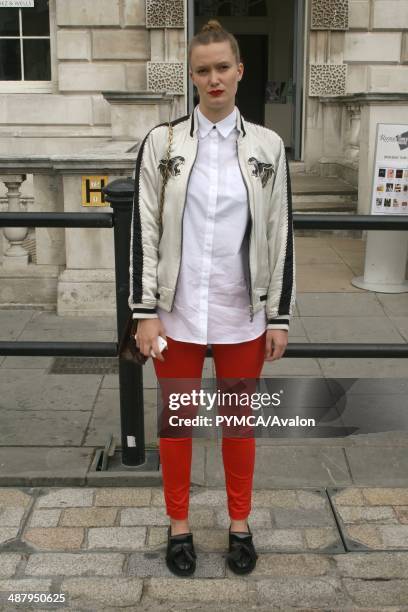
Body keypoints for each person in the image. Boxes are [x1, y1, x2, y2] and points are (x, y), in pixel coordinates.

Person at [129, 19, 296, 576]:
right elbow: (144, 227)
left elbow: (281, 231)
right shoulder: (164, 141)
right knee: (176, 427)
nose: (214, 78)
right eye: (203, 70)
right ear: (192, 77)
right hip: (175, 315)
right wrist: (144, 311)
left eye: (223, 67)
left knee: (238, 424)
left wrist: (279, 316)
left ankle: (240, 524)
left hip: (240, 313)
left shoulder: (268, 146)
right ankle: (179, 528)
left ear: (240, 70)